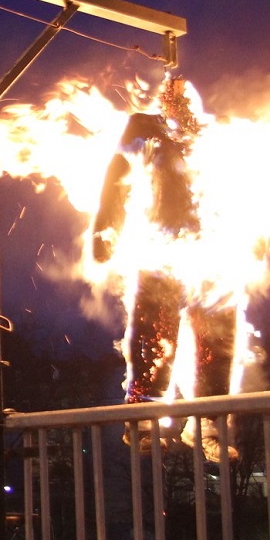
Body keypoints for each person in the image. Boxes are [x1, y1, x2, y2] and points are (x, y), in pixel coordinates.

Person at [90, 77, 236, 462]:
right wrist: (107, 229)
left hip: (212, 251)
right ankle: (142, 419)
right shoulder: (144, 127)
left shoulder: (213, 135)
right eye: (177, 95)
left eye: (190, 94)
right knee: (154, 335)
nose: (185, 100)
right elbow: (117, 178)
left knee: (218, 341)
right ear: (165, 100)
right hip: (162, 247)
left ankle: (208, 426)